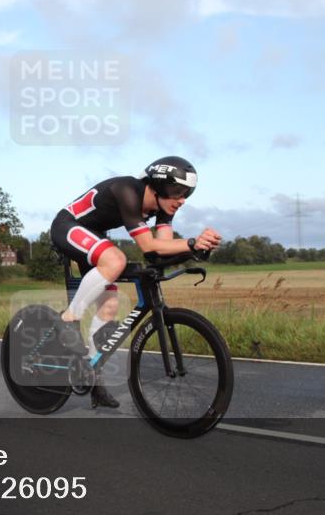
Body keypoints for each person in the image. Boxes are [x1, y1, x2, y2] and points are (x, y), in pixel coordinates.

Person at [50, 156, 222, 408]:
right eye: (178, 192)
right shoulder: (128, 190)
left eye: (187, 193)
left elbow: (158, 253)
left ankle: (91, 374)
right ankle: (68, 318)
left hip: (94, 235)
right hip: (68, 226)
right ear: (159, 186)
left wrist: (196, 251)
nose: (182, 200)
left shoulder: (163, 209)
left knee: (109, 307)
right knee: (116, 260)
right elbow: (147, 244)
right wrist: (191, 242)